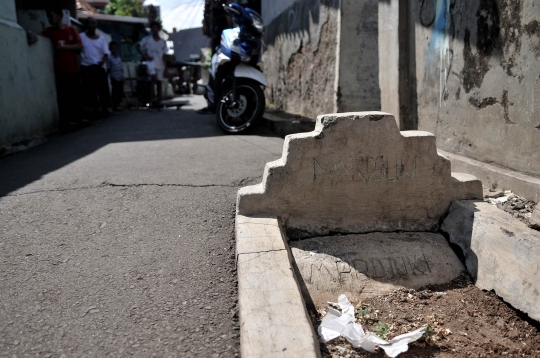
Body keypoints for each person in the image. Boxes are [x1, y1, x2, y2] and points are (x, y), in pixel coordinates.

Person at [42, 7, 83, 129]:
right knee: (64, 97)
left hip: (73, 68)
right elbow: (37, 35)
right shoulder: (49, 31)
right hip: (60, 70)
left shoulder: (71, 30)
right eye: (48, 17)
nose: (50, 19)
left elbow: (79, 46)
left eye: (52, 16)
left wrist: (64, 48)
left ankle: (78, 120)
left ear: (59, 16)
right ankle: (67, 122)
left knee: (75, 95)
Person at [80, 17, 112, 115]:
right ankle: (93, 109)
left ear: (96, 25)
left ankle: (105, 108)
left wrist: (102, 62)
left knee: (103, 89)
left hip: (98, 67)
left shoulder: (101, 39)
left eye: (93, 23)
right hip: (86, 67)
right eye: (89, 23)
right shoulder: (81, 37)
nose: (91, 25)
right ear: (86, 25)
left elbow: (106, 53)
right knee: (89, 90)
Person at [136, 22, 168, 108]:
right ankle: (150, 101)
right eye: (153, 28)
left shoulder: (162, 42)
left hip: (160, 64)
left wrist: (165, 67)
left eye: (156, 28)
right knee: (153, 79)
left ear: (158, 29)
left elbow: (165, 55)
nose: (154, 30)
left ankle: (159, 102)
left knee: (159, 83)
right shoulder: (147, 39)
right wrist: (145, 56)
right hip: (151, 63)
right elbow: (138, 46)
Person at [107, 41, 125, 110]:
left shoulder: (118, 58)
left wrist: (123, 76)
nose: (114, 50)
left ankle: (118, 104)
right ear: (110, 49)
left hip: (119, 77)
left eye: (115, 48)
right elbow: (108, 68)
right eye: (113, 48)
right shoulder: (110, 58)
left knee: (120, 91)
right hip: (114, 77)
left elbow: (121, 68)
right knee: (115, 91)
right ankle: (114, 105)